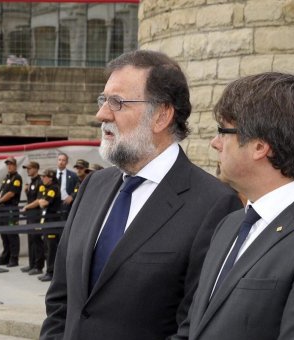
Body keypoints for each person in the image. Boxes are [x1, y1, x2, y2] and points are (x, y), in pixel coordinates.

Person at [40, 50, 242, 339]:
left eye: (117, 102)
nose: (101, 114)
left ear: (161, 115)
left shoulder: (215, 204)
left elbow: (194, 326)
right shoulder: (93, 186)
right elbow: (60, 300)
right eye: (103, 100)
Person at [172, 72, 294, 340]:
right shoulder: (230, 225)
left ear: (260, 146)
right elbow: (192, 329)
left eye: (223, 131)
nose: (215, 142)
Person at [0, 157, 23, 267]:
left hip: (11, 209)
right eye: (8, 164)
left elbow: (11, 193)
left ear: (15, 165)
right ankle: (5, 257)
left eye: (11, 164)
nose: (9, 166)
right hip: (3, 209)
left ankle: (14, 258)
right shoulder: (6, 177)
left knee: (12, 234)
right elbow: (0, 191)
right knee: (4, 234)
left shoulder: (17, 178)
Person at [35, 169, 62, 282]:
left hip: (52, 221)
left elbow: (44, 203)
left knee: (51, 248)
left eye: (44, 177)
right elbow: (39, 200)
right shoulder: (45, 188)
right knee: (47, 247)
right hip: (46, 220)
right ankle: (48, 271)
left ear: (50, 178)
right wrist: (41, 201)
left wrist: (41, 201)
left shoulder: (53, 188)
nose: (42, 179)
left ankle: (52, 273)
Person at [21, 161, 45, 276]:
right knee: (31, 239)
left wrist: (26, 206)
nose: (28, 170)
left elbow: (38, 200)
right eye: (27, 169)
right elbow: (31, 198)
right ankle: (31, 264)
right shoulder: (31, 182)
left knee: (36, 239)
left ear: (36, 168)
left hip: (36, 214)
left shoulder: (40, 182)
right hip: (30, 214)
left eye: (29, 168)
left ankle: (38, 266)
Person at [56, 152, 78, 217]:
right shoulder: (51, 175)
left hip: (67, 203)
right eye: (59, 160)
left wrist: (72, 196)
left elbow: (77, 188)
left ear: (67, 162)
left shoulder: (73, 175)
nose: (61, 162)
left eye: (63, 160)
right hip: (54, 204)